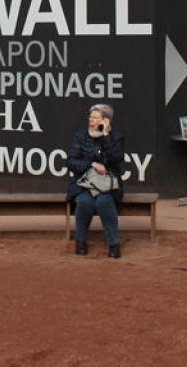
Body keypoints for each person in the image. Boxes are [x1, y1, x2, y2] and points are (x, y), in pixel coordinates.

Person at [65, 103, 125, 258]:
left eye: (95, 118)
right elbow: (71, 161)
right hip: (84, 184)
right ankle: (80, 241)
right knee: (85, 202)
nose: (91, 120)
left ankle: (114, 244)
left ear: (106, 120)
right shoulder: (81, 135)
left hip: (108, 186)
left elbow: (115, 159)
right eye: (90, 117)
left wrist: (105, 137)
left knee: (103, 202)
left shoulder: (116, 137)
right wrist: (91, 164)